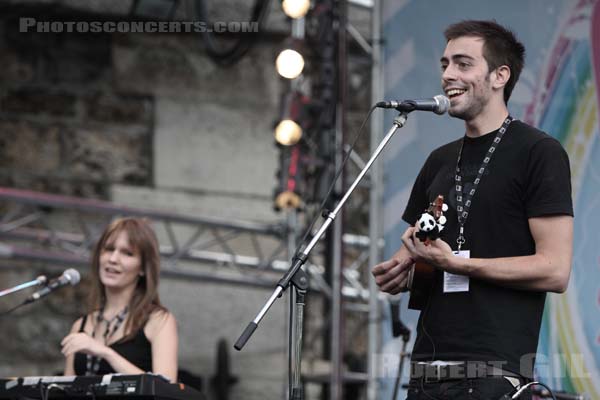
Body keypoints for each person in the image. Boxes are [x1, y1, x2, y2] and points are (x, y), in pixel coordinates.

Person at [372, 20, 573, 400]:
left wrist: (461, 264)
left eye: (463, 64)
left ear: (500, 75)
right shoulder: (439, 161)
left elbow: (555, 270)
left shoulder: (538, 152)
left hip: (493, 373)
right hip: (426, 373)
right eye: (445, 64)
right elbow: (422, 262)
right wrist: (405, 271)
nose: (448, 74)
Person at [62, 217, 178, 382]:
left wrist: (106, 353)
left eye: (127, 253)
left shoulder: (159, 321)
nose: (113, 259)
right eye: (109, 249)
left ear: (143, 268)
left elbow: (167, 389)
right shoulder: (81, 325)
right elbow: (65, 389)